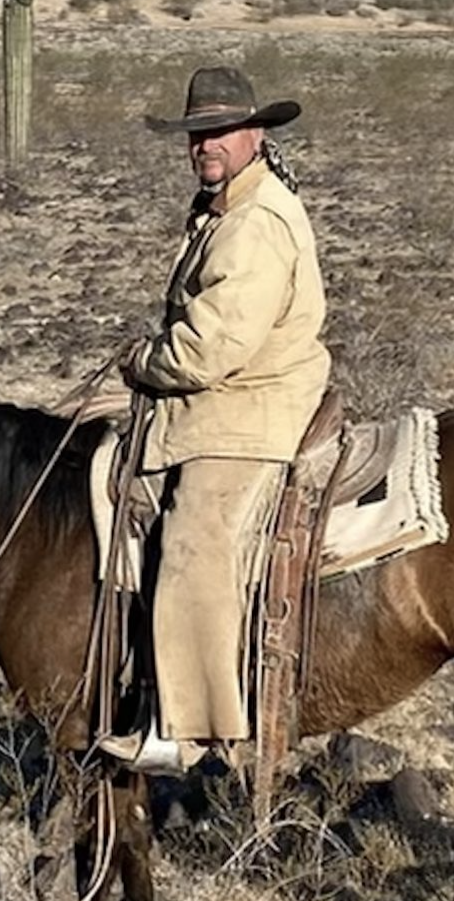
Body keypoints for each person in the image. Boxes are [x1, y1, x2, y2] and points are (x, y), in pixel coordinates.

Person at [98, 66, 333, 775]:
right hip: (225, 390)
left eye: (221, 132)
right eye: (199, 133)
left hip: (251, 403)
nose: (207, 144)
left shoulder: (255, 222)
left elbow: (212, 346)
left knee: (197, 537)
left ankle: (190, 725)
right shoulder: (227, 205)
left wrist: (144, 362)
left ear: (255, 134)